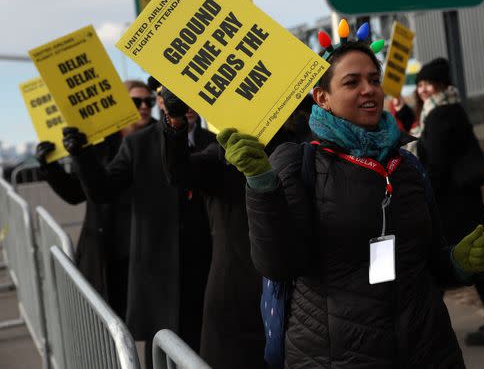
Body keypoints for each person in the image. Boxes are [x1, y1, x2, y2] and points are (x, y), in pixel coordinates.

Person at [218, 33, 484, 368]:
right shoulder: (297, 163)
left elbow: (427, 262)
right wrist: (261, 185)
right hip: (334, 356)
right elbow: (279, 264)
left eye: (374, 79)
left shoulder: (407, 166)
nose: (369, 89)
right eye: (352, 82)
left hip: (428, 350)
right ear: (322, 97)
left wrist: (458, 264)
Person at [62, 83, 214, 365]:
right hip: (158, 276)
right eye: (175, 97)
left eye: (192, 97)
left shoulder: (215, 142)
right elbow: (103, 190)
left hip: (207, 272)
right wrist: (81, 154)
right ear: (161, 101)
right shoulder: (138, 144)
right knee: (161, 352)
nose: (186, 104)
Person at [160, 88, 313, 369]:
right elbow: (179, 173)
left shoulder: (306, 150)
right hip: (238, 301)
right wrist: (175, 123)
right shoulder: (226, 152)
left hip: (301, 303)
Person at [406, 57, 484, 346]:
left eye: (429, 84)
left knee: (447, 262)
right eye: (421, 84)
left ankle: (431, 330)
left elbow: (436, 164)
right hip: (463, 199)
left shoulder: (439, 116)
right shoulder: (448, 109)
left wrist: (423, 191)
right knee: (477, 258)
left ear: (441, 85)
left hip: (452, 202)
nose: (424, 89)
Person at [34, 79, 155, 315]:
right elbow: (75, 194)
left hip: (145, 247)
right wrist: (49, 167)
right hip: (103, 249)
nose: (144, 106)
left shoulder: (162, 139)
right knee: (104, 327)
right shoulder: (96, 142)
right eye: (136, 101)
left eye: (149, 101)